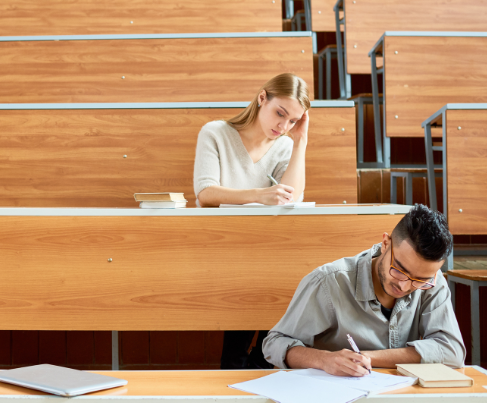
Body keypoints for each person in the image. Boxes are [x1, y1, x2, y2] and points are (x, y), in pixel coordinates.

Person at [192, 73, 310, 369]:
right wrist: (260, 194)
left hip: (266, 250)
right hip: (221, 247)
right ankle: (240, 366)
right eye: (280, 113)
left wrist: (300, 143)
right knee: (250, 290)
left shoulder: (283, 145)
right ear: (262, 98)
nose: (283, 126)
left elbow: (292, 197)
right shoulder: (215, 133)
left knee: (288, 284)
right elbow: (206, 193)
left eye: (293, 121)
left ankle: (260, 362)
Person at [262, 204, 465, 376]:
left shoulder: (431, 282)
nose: (405, 286)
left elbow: (452, 351)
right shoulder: (328, 282)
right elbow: (274, 343)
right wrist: (324, 360)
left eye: (419, 280)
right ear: (385, 244)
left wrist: (366, 358)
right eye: (399, 270)